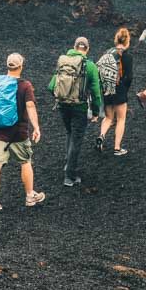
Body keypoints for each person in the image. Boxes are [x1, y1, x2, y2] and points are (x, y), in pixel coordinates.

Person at [0, 52, 44, 210]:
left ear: (8, 65)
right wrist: (36, 127)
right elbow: (30, 106)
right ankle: (30, 196)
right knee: (25, 162)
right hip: (18, 133)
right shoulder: (25, 85)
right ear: (21, 66)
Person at [47, 36, 103, 187]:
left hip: (63, 105)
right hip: (80, 107)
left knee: (70, 133)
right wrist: (96, 112)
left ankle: (68, 164)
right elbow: (96, 93)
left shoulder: (63, 61)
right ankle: (69, 175)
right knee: (76, 139)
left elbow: (51, 86)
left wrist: (61, 97)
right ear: (87, 49)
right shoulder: (90, 66)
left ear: (74, 47)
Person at [95, 27, 134, 156]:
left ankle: (101, 137)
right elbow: (129, 77)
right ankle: (117, 148)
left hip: (107, 89)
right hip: (120, 89)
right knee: (121, 119)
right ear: (127, 41)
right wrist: (124, 90)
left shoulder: (108, 52)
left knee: (108, 117)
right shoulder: (127, 56)